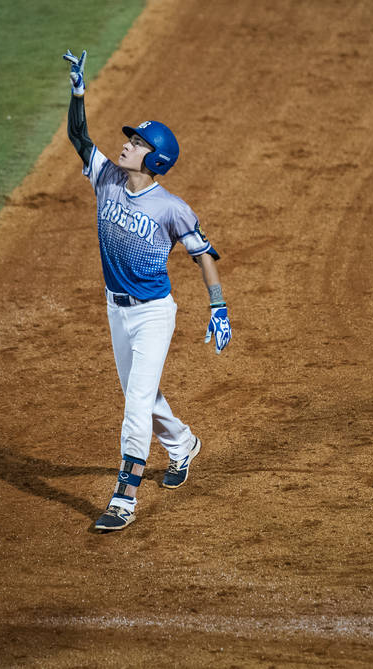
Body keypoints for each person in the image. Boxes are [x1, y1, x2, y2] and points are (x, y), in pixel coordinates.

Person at [62, 49, 231, 532]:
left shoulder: (172, 208)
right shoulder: (108, 178)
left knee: (135, 406)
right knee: (144, 396)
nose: (127, 144)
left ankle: (124, 499)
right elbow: (79, 137)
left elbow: (203, 253)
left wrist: (218, 308)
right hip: (117, 311)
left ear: (154, 158)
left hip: (155, 314)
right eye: (130, 138)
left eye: (136, 142)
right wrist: (78, 92)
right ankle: (183, 445)